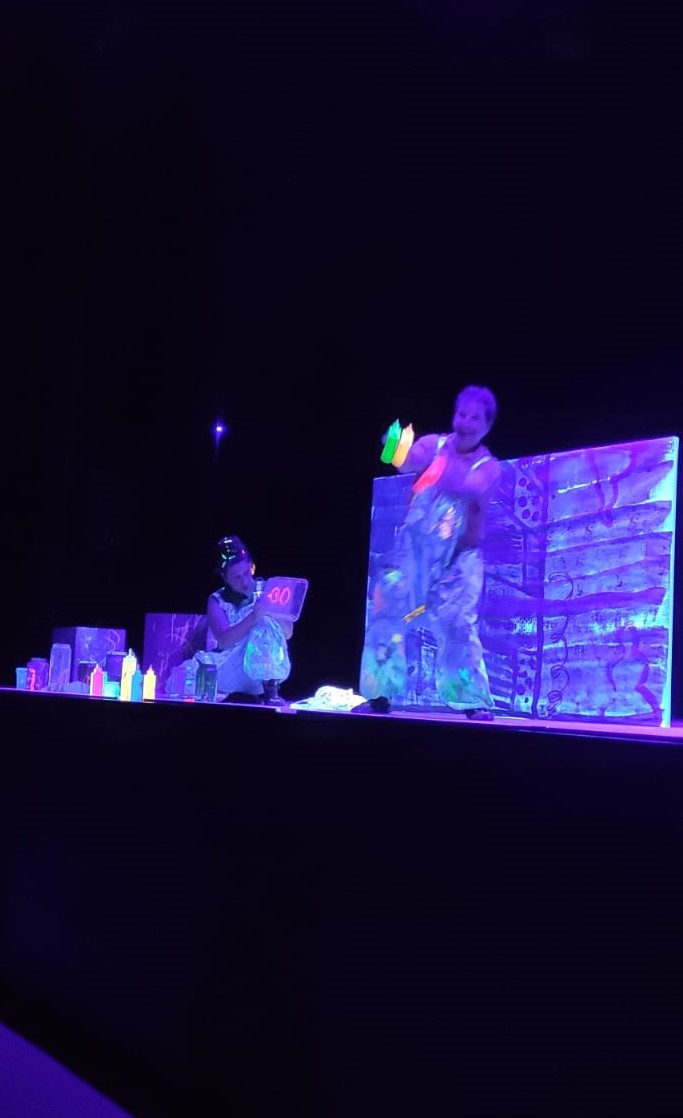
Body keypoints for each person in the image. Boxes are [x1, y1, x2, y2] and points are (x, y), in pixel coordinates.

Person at [392, 384, 501, 719]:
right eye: (461, 414)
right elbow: (401, 462)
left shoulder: (488, 467)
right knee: (390, 616)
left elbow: (465, 488)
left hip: (458, 563)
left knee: (458, 628)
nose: (465, 422)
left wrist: (433, 466)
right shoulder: (433, 445)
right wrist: (395, 445)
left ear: (486, 426)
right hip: (416, 557)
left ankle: (471, 701)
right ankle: (380, 693)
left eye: (474, 418)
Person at [205, 535, 292, 704]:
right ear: (224, 577)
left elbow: (288, 633)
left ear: (252, 566)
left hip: (262, 671)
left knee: (265, 623)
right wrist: (252, 617)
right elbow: (223, 641)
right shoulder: (217, 600)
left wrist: (270, 611)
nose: (244, 581)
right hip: (231, 668)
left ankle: (271, 690)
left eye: (246, 573)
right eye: (236, 577)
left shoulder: (271, 591)